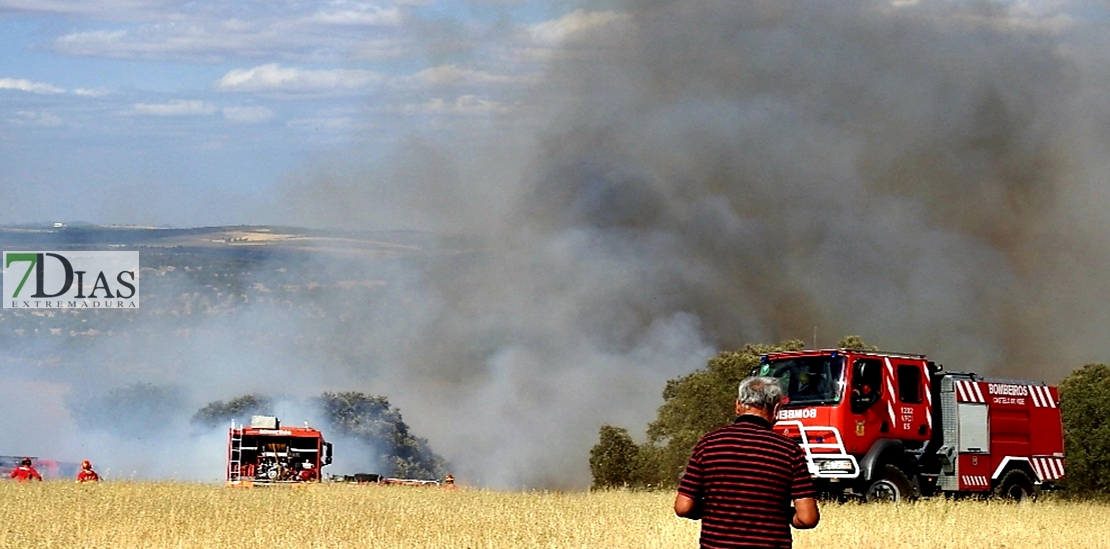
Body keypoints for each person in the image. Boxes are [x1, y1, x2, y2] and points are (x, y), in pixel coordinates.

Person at [674, 376, 819, 549]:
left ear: (738, 405)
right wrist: (782, 514)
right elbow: (807, 518)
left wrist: (716, 509)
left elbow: (683, 507)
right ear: (777, 409)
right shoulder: (790, 451)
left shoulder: (708, 444)